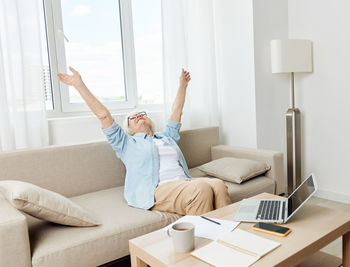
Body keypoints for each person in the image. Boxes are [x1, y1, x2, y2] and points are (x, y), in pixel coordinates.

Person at [57, 67, 231, 215]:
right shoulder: (125, 143)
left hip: (184, 183)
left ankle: (230, 237)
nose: (139, 116)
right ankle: (207, 242)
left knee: (218, 185)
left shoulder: (166, 137)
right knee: (201, 188)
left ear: (150, 121)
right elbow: (103, 115)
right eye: (133, 117)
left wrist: (183, 86)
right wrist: (79, 85)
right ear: (129, 128)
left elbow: (177, 110)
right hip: (156, 190)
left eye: (142, 114)